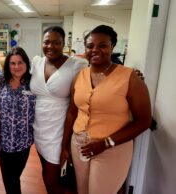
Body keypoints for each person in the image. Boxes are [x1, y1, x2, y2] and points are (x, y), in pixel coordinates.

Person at [60, 25, 152, 194]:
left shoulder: (129, 78)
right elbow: (73, 112)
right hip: (79, 145)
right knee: (82, 190)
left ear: (112, 47)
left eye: (102, 45)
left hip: (113, 149)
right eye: (90, 46)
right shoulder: (79, 76)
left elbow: (144, 121)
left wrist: (106, 143)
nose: (95, 50)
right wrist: (65, 146)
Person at [30, 26, 88, 194]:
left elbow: (95, 79)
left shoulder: (77, 65)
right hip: (39, 128)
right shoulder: (36, 62)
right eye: (47, 42)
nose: (50, 46)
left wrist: (129, 73)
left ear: (64, 44)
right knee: (47, 172)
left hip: (59, 129)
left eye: (56, 42)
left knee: (52, 178)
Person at [0, 46, 35, 194]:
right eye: (13, 63)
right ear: (8, 65)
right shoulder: (0, 82)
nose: (17, 66)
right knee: (9, 179)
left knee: (14, 177)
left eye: (20, 62)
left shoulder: (33, 83)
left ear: (26, 63)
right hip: (3, 142)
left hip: (23, 142)